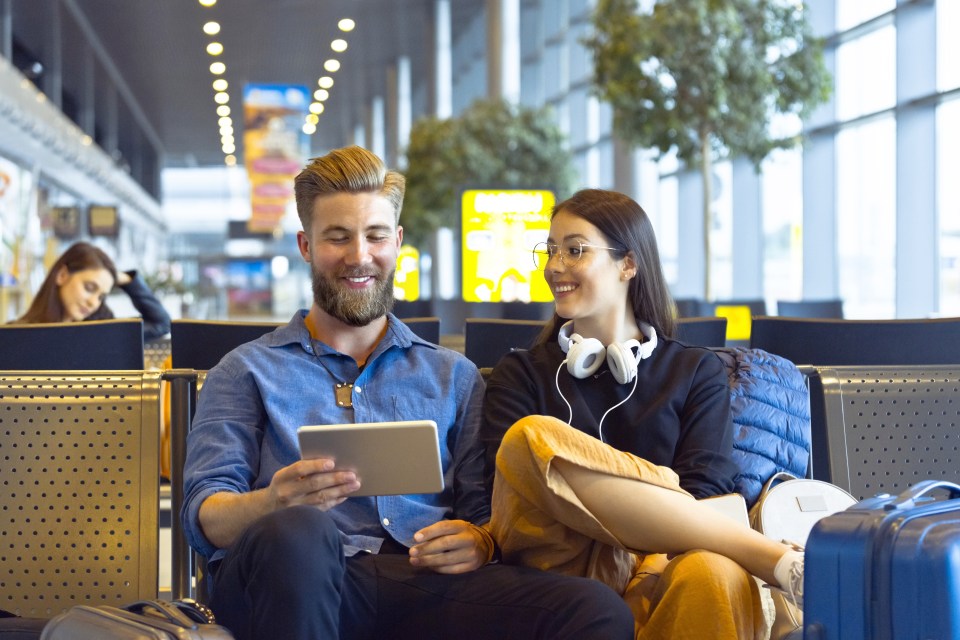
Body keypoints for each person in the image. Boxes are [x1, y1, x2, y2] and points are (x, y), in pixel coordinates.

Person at [180, 146, 634, 640]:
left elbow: (483, 513)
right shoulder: (246, 369)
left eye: (375, 236)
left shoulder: (452, 375)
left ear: (396, 242)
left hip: (417, 581)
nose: (359, 256)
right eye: (337, 237)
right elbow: (203, 518)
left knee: (595, 609)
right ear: (306, 246)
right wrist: (272, 502)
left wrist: (479, 541)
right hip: (289, 581)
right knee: (299, 529)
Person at [480, 188, 805, 640]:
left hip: (664, 566)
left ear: (628, 264)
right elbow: (511, 485)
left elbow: (705, 489)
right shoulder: (521, 373)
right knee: (530, 438)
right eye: (550, 250)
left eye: (574, 250)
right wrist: (657, 503)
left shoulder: (694, 371)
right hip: (558, 563)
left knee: (714, 572)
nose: (554, 267)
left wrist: (643, 550)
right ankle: (770, 558)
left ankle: (753, 561)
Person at [13, 241, 171, 340]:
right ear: (62, 275)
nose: (93, 302)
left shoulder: (100, 332)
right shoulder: (15, 335)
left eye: (101, 296)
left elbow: (161, 323)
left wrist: (124, 278)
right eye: (89, 288)